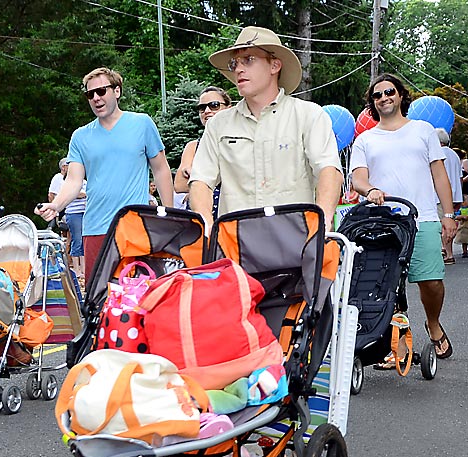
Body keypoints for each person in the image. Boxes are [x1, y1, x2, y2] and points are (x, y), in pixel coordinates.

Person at [188, 26, 342, 233]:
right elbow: (201, 181)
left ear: (275, 65)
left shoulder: (308, 115)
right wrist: (206, 225)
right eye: (235, 63)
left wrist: (322, 223)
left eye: (249, 59)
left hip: (296, 242)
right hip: (235, 246)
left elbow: (328, 170)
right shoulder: (218, 124)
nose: (238, 69)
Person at [350, 73, 457, 363]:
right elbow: (358, 177)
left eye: (389, 92)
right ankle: (397, 342)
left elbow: (440, 175)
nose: (384, 97)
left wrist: (448, 214)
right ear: (372, 103)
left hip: (421, 218)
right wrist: (370, 189)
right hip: (382, 222)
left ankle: (433, 324)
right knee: (387, 284)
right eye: (377, 95)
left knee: (431, 280)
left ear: (400, 95)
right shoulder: (365, 140)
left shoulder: (423, 130)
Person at [35, 67, 174, 279]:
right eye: (90, 94)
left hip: (134, 226)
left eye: (101, 91)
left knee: (137, 297)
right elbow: (74, 180)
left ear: (117, 91)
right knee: (99, 300)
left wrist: (170, 213)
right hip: (95, 228)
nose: (96, 98)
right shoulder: (81, 136)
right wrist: (56, 205)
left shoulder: (141, 123)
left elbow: (161, 169)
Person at [175, 85, 232, 214]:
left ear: (229, 108)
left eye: (214, 105)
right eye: (202, 108)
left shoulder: (239, 141)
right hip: (201, 217)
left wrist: (197, 176)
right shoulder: (193, 146)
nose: (207, 111)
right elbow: (179, 185)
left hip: (230, 214)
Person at [435, 128, 463, 264]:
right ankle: (449, 252)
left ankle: (445, 251)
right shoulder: (455, 155)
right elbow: (460, 177)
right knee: (450, 222)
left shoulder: (437, 154)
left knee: (442, 224)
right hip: (454, 195)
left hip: (439, 195)